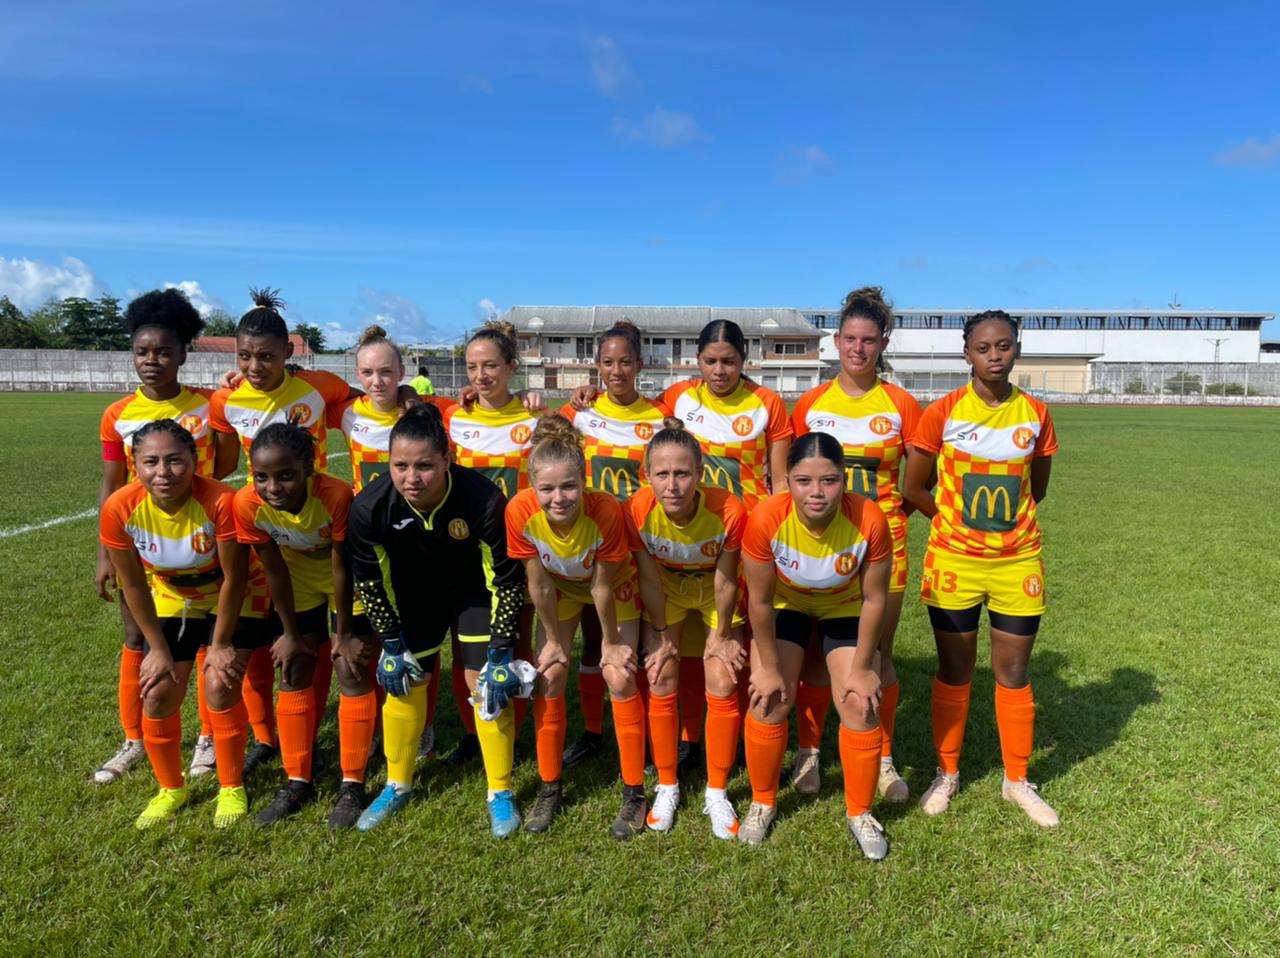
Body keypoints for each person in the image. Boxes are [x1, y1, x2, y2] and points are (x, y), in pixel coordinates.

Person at [902, 310, 1061, 828]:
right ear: (966, 353)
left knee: (1012, 671)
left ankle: (1017, 780)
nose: (996, 356)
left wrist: (1002, 527)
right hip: (954, 560)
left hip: (1016, 560)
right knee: (955, 669)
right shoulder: (943, 411)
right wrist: (952, 522)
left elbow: (1035, 488)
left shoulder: (1036, 413)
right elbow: (914, 488)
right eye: (984, 348)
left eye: (1005, 346)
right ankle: (947, 774)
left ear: (1017, 349)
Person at [346, 404, 527, 837]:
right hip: (415, 596)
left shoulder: (481, 498)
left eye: (425, 465)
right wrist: (390, 644)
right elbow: (371, 583)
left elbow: (505, 579)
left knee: (486, 679)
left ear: (448, 459)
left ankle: (500, 791)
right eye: (401, 465)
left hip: (473, 593)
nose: (412, 477)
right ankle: (397, 784)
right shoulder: (369, 508)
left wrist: (501, 649)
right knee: (404, 678)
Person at [209, 288, 367, 777]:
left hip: (324, 518)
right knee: (267, 642)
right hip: (268, 526)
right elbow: (224, 464)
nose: (255, 366)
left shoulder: (318, 386)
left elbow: (364, 401)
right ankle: (267, 738)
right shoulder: (226, 399)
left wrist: (402, 395)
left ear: (289, 353)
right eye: (245, 357)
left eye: (267, 356)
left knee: (333, 647)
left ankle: (350, 750)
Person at [93, 288, 240, 787]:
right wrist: (104, 555)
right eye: (141, 351)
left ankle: (204, 738)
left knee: (201, 637)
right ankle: (134, 737)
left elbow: (222, 470)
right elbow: (112, 485)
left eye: (162, 351)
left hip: (201, 539)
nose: (151, 360)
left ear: (183, 353)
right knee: (137, 636)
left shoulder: (208, 409)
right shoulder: (117, 415)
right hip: (141, 544)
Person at [789, 287, 922, 802]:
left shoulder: (901, 404)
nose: (859, 349)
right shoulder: (811, 404)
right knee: (816, 659)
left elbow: (914, 485)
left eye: (869, 340)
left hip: (882, 551)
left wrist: (883, 523)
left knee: (879, 656)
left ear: (883, 343)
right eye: (850, 338)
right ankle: (809, 753)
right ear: (835, 341)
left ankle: (884, 759)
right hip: (817, 550)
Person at [739, 433, 892, 857]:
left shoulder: (869, 519)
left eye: (829, 480)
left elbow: (875, 598)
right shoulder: (767, 518)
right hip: (787, 604)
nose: (817, 493)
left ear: (844, 480)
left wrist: (863, 668)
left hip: (843, 606)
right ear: (786, 479)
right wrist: (767, 667)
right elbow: (761, 601)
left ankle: (859, 812)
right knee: (768, 699)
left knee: (861, 703)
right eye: (804, 481)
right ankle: (762, 802)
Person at [98, 420, 250, 828]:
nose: (162, 472)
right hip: (173, 599)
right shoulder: (120, 508)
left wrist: (219, 645)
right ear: (135, 464)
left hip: (226, 597)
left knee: (219, 683)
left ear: (195, 461)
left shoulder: (221, 501)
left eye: (174, 461)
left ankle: (230, 786)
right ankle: (171, 788)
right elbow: (132, 584)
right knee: (158, 693)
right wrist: (158, 650)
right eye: (150, 462)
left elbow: (236, 579)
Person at [505, 417, 648, 839]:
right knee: (549, 675)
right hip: (562, 588)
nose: (558, 498)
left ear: (584, 480)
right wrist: (551, 641)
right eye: (546, 489)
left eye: (568, 486)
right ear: (531, 485)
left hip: (614, 588)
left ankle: (635, 792)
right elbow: (538, 583)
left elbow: (603, 587)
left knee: (618, 676)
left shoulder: (605, 510)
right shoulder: (519, 510)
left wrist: (612, 644)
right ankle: (549, 787)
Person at [232, 423, 377, 829]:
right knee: (293, 667)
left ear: (310, 468)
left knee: (351, 668)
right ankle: (298, 780)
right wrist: (291, 635)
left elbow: (341, 564)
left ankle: (352, 783)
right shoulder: (246, 505)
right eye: (262, 476)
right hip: (295, 581)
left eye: (285, 475)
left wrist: (344, 634)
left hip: (342, 581)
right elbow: (273, 568)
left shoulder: (334, 496)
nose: (273, 486)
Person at [330, 325, 456, 760]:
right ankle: (381, 714)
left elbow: (477, 405)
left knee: (418, 633)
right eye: (367, 372)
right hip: (368, 535)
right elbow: (304, 393)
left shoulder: (430, 410)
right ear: (357, 374)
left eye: (386, 372)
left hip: (420, 535)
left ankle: (422, 724)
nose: (377, 381)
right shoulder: (346, 411)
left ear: (402, 372)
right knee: (371, 630)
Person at [627, 419, 748, 837]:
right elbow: (647, 577)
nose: (672, 484)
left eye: (682, 473)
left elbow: (727, 577)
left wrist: (721, 635)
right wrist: (660, 634)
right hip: (668, 590)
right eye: (662, 474)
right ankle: (667, 784)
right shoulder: (637, 510)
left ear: (700, 473)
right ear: (647, 475)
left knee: (724, 679)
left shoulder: (729, 510)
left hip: (715, 590)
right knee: (660, 674)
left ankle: (717, 790)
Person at [558, 320, 668, 769]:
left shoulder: (662, 416)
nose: (617, 370)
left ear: (640, 364)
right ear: (596, 366)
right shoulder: (579, 414)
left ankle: (640, 737)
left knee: (636, 646)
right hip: (589, 548)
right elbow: (544, 444)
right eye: (607, 362)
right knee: (591, 641)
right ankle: (592, 731)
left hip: (642, 548)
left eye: (625, 361)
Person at [439, 320, 541, 768]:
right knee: (466, 646)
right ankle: (471, 731)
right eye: (472, 367)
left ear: (511, 367)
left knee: (516, 642)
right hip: (463, 550)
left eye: (491, 366)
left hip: (516, 550)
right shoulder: (453, 417)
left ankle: (513, 733)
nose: (481, 376)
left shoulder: (534, 417)